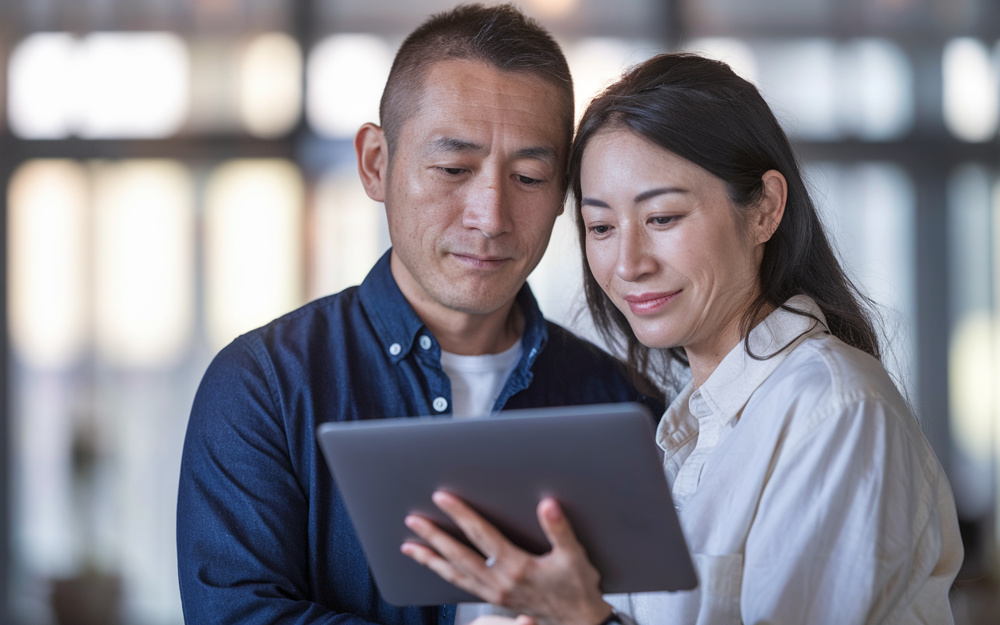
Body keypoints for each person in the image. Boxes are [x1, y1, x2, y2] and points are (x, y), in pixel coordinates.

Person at [400, 52, 965, 625]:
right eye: (600, 227)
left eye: (663, 218)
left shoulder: (833, 409)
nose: (628, 263)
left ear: (765, 209)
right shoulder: (676, 432)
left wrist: (586, 618)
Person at [175, 4, 664, 625]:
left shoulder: (619, 405)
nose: (490, 216)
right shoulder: (266, 385)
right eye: (454, 169)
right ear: (375, 164)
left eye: (530, 176)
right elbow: (237, 616)